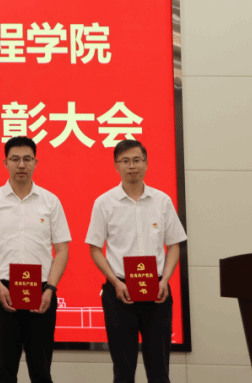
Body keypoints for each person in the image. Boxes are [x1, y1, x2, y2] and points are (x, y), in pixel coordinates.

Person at [86, 139, 186, 383]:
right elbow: (95, 248)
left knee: (159, 371)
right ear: (116, 166)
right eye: (125, 161)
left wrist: (165, 280)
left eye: (136, 160)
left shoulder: (162, 201)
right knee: (123, 371)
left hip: (157, 291)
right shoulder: (104, 203)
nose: (131, 166)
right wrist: (115, 282)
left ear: (146, 163)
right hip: (119, 292)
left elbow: (174, 244)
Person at [0, 136, 70, 383]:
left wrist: (50, 289)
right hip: (3, 291)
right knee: (5, 371)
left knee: (41, 371)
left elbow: (62, 250)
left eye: (27, 159)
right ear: (5, 162)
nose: (21, 165)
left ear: (36, 162)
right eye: (15, 159)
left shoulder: (50, 201)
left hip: (42, 293)